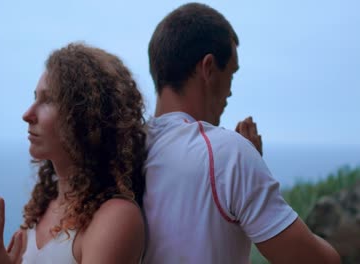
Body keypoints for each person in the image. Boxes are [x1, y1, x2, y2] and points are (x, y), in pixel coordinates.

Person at [142, 3, 341, 263]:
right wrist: (249, 162)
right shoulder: (228, 154)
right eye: (232, 75)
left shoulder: (126, 146)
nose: (231, 91)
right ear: (209, 68)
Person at [0, 43, 147, 264]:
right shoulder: (43, 207)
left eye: (47, 100)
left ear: (86, 117)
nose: (27, 114)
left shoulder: (115, 218)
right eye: (34, 97)